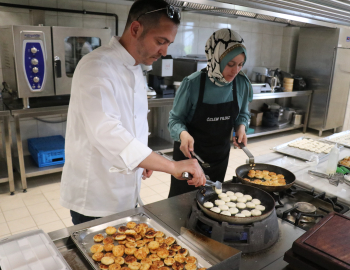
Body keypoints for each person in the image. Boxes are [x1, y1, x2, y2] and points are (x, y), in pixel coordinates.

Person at [60, 0, 205, 225]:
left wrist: (145, 158)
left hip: (127, 191)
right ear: (136, 29)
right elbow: (108, 132)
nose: (165, 51)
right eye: (160, 41)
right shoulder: (96, 66)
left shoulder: (136, 67)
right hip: (97, 197)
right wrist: (172, 166)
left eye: (169, 43)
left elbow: (132, 124)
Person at [167, 29, 252, 198]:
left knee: (212, 200)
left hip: (219, 157)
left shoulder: (241, 83)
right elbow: (174, 120)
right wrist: (182, 134)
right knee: (182, 203)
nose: (236, 71)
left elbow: (243, 113)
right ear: (216, 58)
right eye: (230, 64)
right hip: (189, 158)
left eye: (240, 64)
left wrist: (240, 127)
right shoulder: (193, 83)